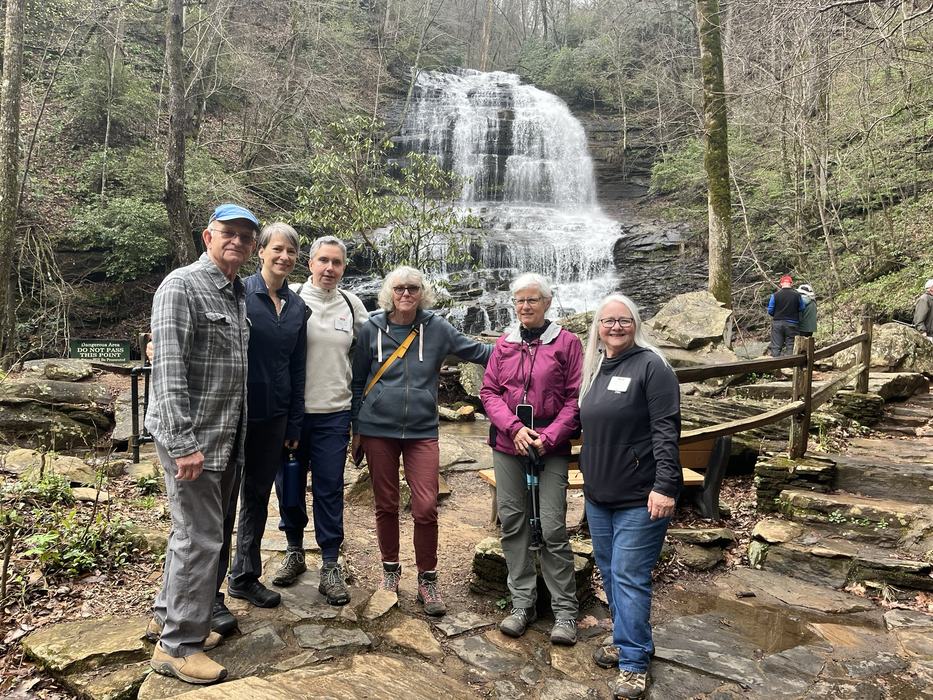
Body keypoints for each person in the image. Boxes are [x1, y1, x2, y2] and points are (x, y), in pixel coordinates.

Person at [144, 203, 258, 685]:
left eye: (245, 236)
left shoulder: (234, 294)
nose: (237, 241)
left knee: (189, 533)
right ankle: (178, 646)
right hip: (194, 441)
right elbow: (167, 371)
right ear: (207, 237)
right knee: (201, 538)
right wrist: (184, 443)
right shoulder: (181, 286)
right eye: (227, 233)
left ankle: (166, 616)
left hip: (224, 437)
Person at [350, 266, 491, 615]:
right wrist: (355, 427)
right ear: (389, 292)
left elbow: (479, 352)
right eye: (399, 288)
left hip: (422, 431)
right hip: (377, 428)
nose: (406, 294)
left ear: (422, 292)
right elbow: (356, 381)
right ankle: (390, 571)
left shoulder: (437, 328)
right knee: (386, 504)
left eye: (413, 288)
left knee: (426, 506)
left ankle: (428, 578)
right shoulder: (371, 329)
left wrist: (523, 344)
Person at [578, 293, 682, 700]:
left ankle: (635, 663)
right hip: (599, 493)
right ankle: (628, 640)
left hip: (642, 496)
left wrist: (665, 486)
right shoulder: (595, 366)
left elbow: (666, 429)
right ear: (597, 327)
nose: (616, 327)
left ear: (636, 323)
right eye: (608, 321)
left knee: (628, 575)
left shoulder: (652, 367)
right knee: (609, 571)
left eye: (623, 320)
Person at [480, 273, 582, 646]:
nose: (525, 306)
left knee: (553, 526)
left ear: (547, 303)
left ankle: (565, 611)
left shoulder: (568, 343)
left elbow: (575, 398)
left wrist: (550, 436)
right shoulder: (503, 344)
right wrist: (514, 428)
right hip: (508, 446)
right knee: (513, 522)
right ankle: (522, 603)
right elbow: (489, 391)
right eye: (520, 300)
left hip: (550, 448)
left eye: (532, 300)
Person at [272, 236, 368, 606]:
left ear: (344, 267)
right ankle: (294, 550)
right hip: (293, 415)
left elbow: (372, 352)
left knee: (329, 489)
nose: (330, 268)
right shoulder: (290, 296)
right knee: (289, 487)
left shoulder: (351, 304)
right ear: (310, 263)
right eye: (323, 260)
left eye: (337, 263)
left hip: (334, 414)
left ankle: (330, 564)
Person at [223, 223, 308, 612]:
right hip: (235, 414)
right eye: (277, 249)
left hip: (275, 418)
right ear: (261, 251)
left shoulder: (297, 308)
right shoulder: (239, 295)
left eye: (291, 252)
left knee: (257, 496)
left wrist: (293, 424)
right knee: (222, 503)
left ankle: (244, 577)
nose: (284, 257)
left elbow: (297, 368)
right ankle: (208, 595)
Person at [767, 274, 805, 356]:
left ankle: (775, 366)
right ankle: (790, 365)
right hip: (792, 323)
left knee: (776, 346)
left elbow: (770, 310)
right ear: (791, 284)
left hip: (777, 323)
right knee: (791, 346)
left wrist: (777, 314)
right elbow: (802, 308)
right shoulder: (797, 295)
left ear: (781, 284)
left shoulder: (775, 295)